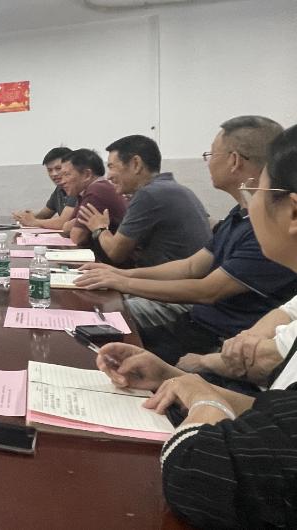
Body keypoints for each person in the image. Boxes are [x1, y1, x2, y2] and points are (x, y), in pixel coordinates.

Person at [95, 124, 297, 527]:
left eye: (260, 191)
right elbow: (276, 412)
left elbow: (201, 472)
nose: (252, 201)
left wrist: (205, 396)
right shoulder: (237, 218)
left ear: (291, 212)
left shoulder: (156, 195)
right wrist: (177, 378)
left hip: (213, 336)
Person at [77, 117, 297, 364]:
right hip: (196, 319)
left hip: (215, 335)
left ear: (234, 160)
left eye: (210, 154)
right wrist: (120, 275)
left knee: (102, 325)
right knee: (100, 326)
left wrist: (121, 279)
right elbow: (191, 266)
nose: (207, 162)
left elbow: (208, 290)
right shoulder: (239, 214)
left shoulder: (267, 228)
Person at [79, 135, 211, 267]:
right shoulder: (178, 189)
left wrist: (100, 228)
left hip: (172, 278)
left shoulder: (148, 194)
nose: (109, 176)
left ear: (136, 164)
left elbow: (115, 253)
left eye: (112, 167)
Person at [57, 148, 127, 261]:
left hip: (119, 264)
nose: (62, 181)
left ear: (87, 174)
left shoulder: (97, 189)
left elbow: (77, 236)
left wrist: (74, 225)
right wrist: (76, 224)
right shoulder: (85, 191)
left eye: (67, 175)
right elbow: (65, 227)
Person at [12, 147, 78, 229]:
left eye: (58, 168)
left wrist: (33, 222)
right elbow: (44, 215)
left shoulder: (77, 187)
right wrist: (25, 216)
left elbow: (62, 222)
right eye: (49, 170)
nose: (54, 174)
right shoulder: (59, 189)